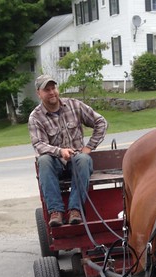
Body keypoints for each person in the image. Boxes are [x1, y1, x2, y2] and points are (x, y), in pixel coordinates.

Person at [28, 74, 108, 227]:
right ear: (39, 93)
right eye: (47, 90)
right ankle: (56, 212)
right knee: (43, 160)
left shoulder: (74, 105)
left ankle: (75, 210)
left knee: (83, 159)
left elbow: (101, 122)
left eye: (53, 88)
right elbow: (39, 144)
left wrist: (89, 147)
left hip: (77, 161)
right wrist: (60, 151)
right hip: (55, 164)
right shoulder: (35, 117)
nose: (52, 92)